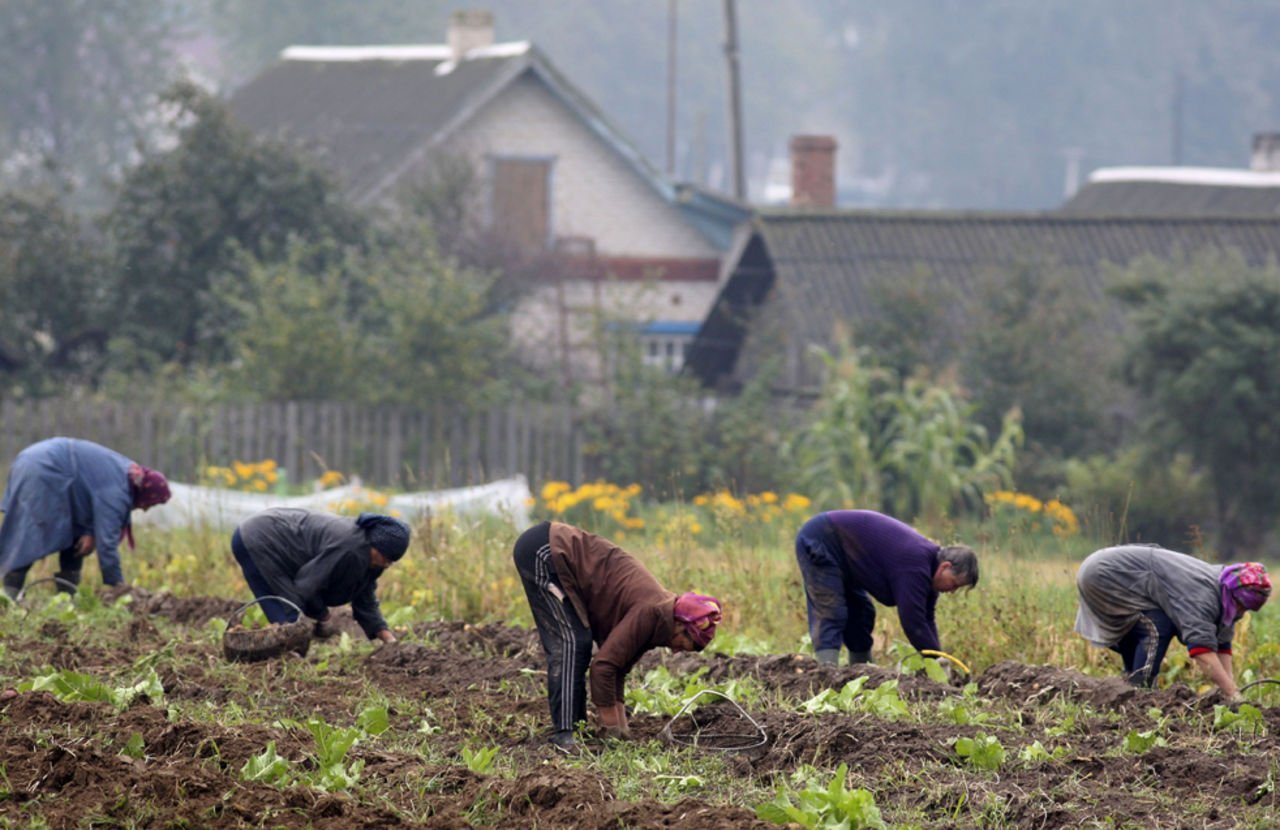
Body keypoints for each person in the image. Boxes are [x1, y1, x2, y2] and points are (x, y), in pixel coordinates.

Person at [513, 520, 723, 751]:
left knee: (579, 644)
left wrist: (623, 729)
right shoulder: (651, 612)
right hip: (545, 550)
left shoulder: (658, 620)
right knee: (572, 643)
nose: (677, 650)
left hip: (553, 551)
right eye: (684, 644)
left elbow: (617, 668)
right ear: (681, 625)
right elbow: (603, 667)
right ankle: (565, 734)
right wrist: (612, 731)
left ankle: (578, 729)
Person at [1075, 544, 1270, 699]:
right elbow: (1202, 652)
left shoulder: (1226, 593)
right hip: (1104, 574)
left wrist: (1231, 688)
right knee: (1158, 626)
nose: (1242, 612)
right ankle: (1140, 693)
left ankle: (1128, 686)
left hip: (1112, 573)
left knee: (1148, 625)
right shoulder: (1203, 596)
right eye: (1243, 606)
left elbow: (1222, 645)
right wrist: (1232, 693)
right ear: (1234, 596)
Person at [794, 509, 978, 666]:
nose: (952, 591)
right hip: (822, 539)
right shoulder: (916, 564)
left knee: (862, 613)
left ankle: (860, 674)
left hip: (846, 559)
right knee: (831, 610)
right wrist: (936, 660)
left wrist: (938, 659)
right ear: (945, 566)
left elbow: (926, 618)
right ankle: (826, 675)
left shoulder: (929, 572)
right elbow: (913, 620)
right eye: (954, 584)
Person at [1, 437, 171, 600]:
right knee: (28, 537)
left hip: (42, 463)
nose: (146, 508)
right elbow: (107, 545)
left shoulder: (126, 474)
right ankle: (9, 599)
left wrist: (89, 531)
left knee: (75, 538)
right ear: (146, 492)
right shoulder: (117, 491)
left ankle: (66, 600)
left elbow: (89, 488)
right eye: (151, 503)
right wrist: (119, 588)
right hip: (45, 469)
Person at [231, 507, 409, 644]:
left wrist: (388, 639)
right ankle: (280, 668)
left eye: (392, 561)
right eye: (385, 557)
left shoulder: (371, 558)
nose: (387, 564)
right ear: (375, 544)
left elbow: (364, 596)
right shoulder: (349, 548)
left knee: (293, 622)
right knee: (289, 618)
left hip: (274, 540)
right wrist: (323, 616)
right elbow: (307, 585)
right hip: (260, 538)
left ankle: (287, 661)